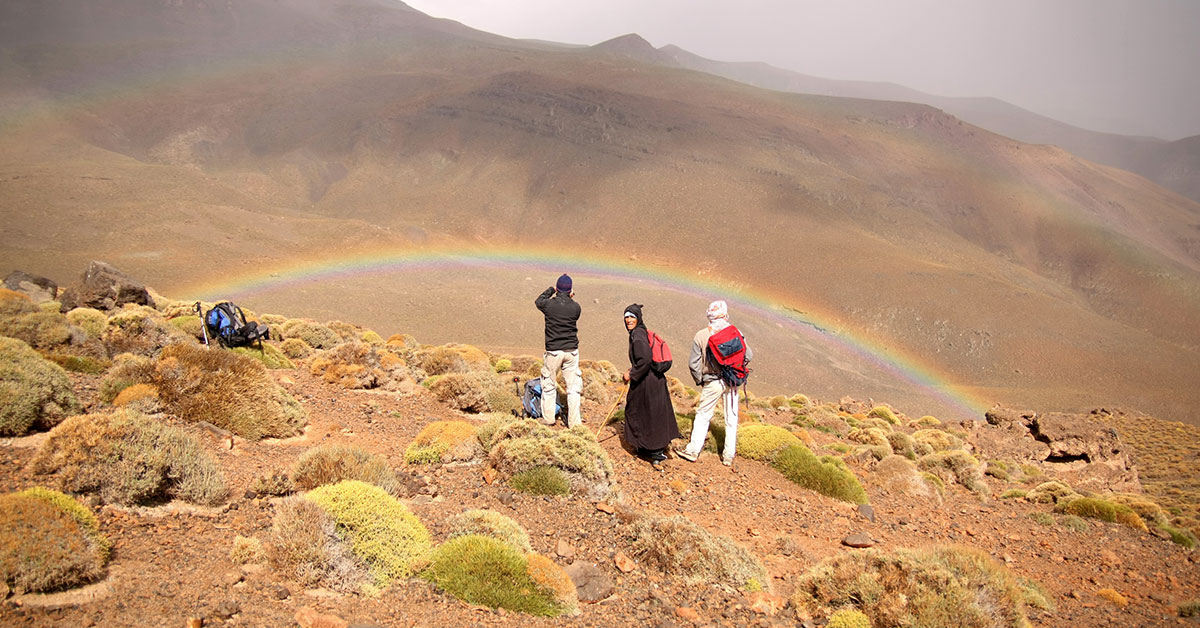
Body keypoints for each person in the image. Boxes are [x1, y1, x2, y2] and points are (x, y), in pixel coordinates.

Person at [674, 300, 752, 467]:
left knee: (703, 415)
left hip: (712, 381)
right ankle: (729, 456)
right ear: (725, 313)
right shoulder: (736, 332)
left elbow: (693, 364)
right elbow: (749, 355)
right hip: (732, 381)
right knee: (731, 418)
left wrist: (700, 380)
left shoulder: (701, 335)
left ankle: (693, 450)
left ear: (709, 315)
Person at [620, 304, 681, 472]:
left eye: (632, 316)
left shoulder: (637, 335)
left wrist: (631, 374)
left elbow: (645, 359)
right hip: (654, 380)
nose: (628, 320)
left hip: (647, 381)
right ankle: (649, 448)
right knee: (650, 413)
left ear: (638, 318)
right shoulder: (641, 332)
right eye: (626, 317)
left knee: (639, 411)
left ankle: (653, 451)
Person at [535, 274, 582, 427]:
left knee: (549, 383)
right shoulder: (576, 307)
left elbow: (538, 301)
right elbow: (570, 309)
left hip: (554, 351)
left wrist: (551, 290)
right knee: (573, 388)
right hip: (571, 351)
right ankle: (574, 424)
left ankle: (548, 418)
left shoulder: (548, 305)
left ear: (557, 289)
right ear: (570, 290)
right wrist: (569, 297)